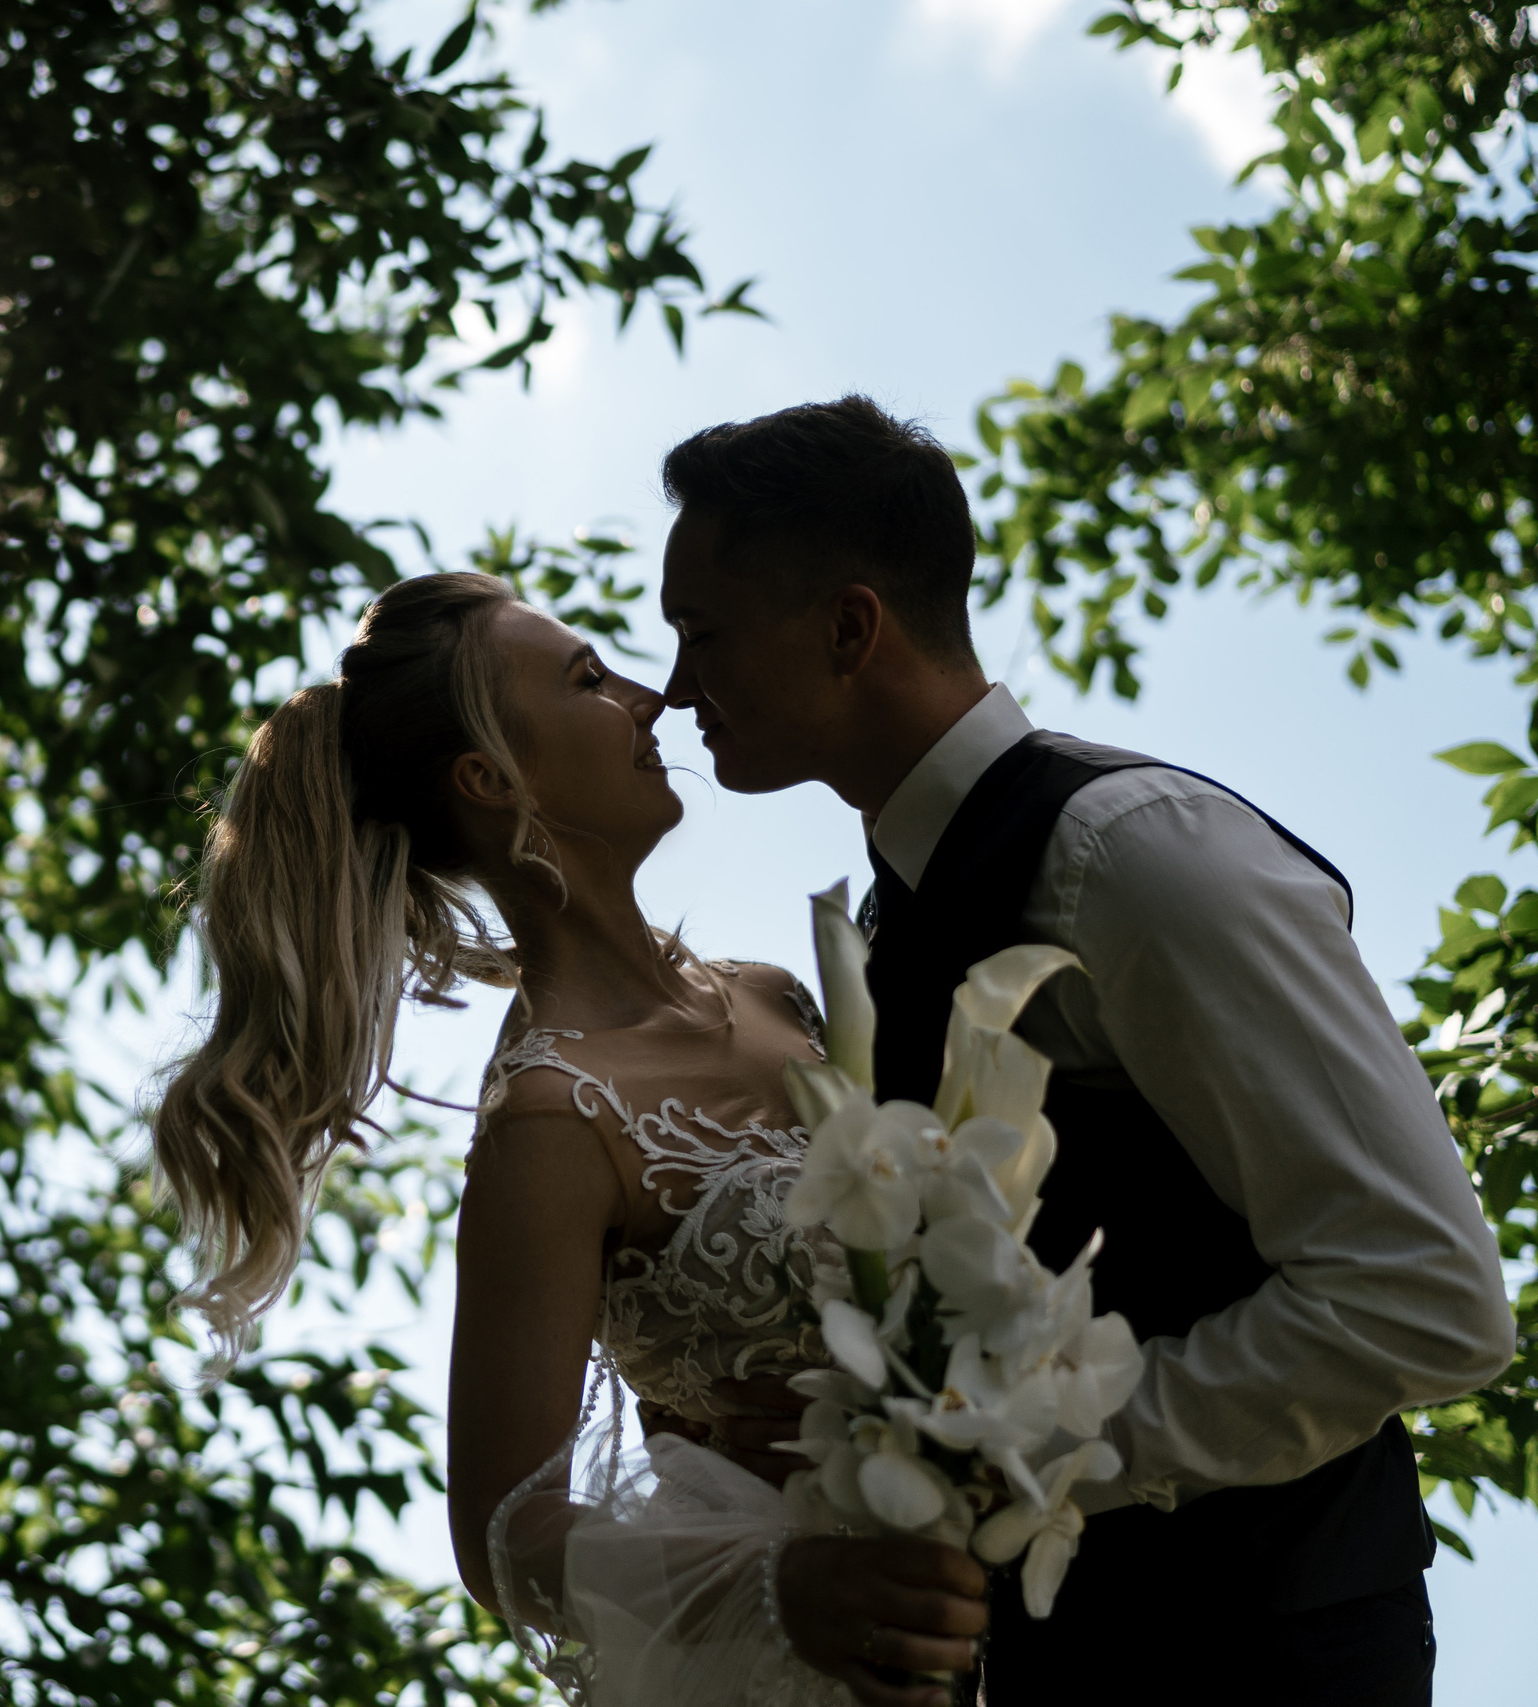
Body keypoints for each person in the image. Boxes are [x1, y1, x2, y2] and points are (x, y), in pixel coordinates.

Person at [654, 396, 1518, 1706]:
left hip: (1270, 1657)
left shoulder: (1135, 856)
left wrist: (1023, 1445)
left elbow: (1425, 1298)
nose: (673, 685)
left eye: (700, 632)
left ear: (847, 626)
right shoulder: (893, 915)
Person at [149, 571, 989, 1707]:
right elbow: (500, 1530)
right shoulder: (554, 1118)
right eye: (589, 678)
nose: (648, 699)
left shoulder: (778, 995)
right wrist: (779, 1583)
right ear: (491, 778)